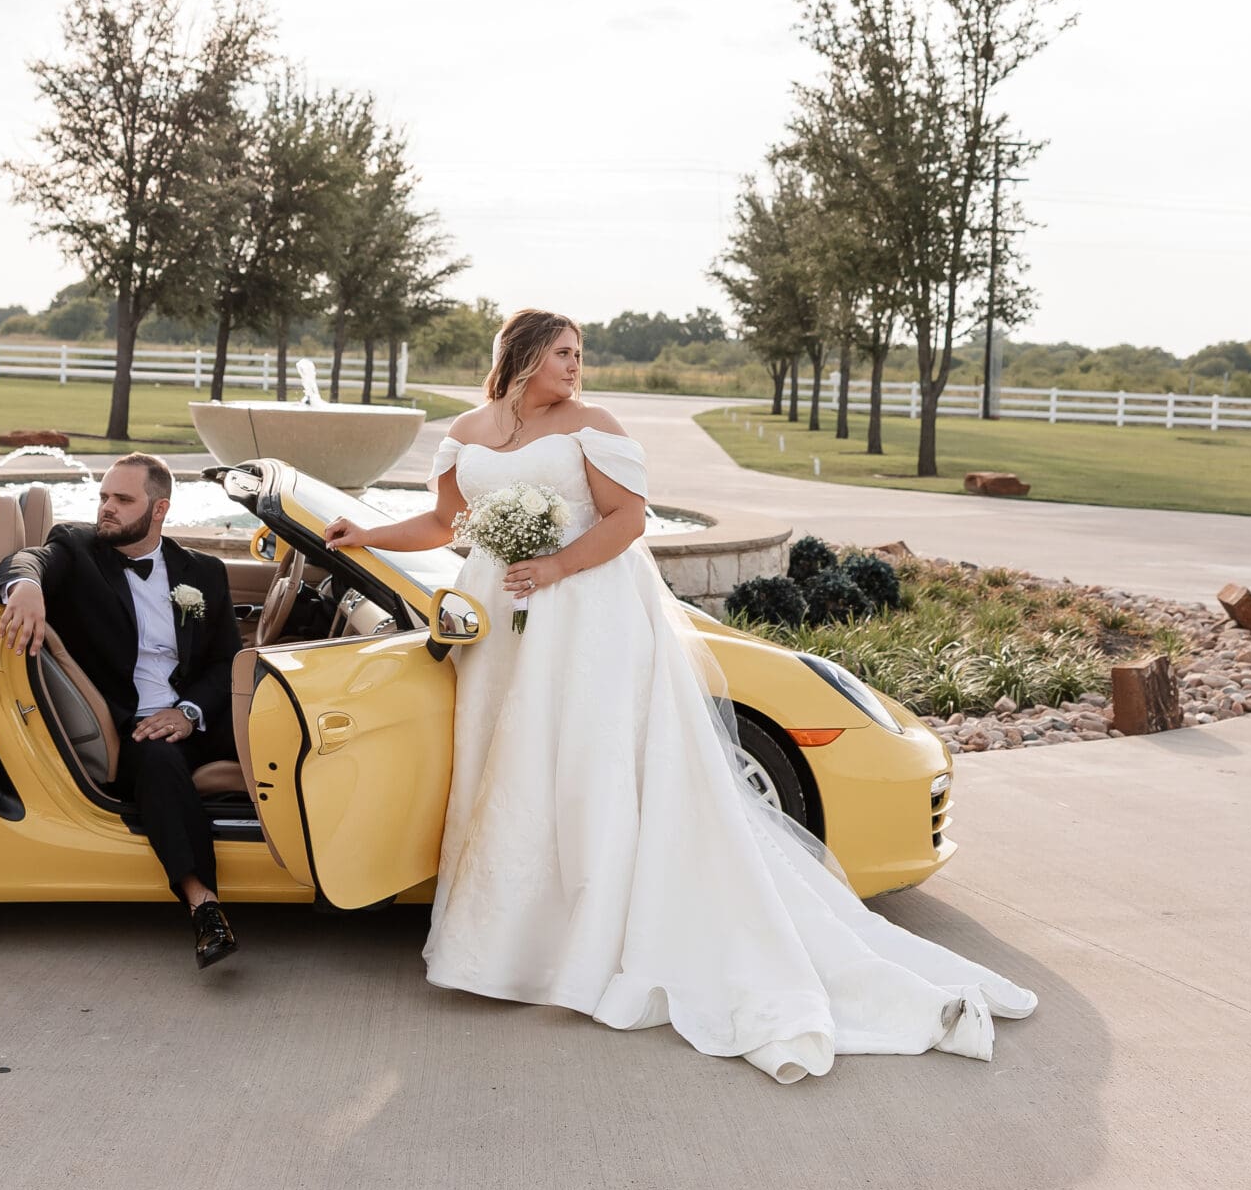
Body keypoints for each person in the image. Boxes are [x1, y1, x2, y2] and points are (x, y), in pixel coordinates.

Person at [323, 309, 1036, 1080]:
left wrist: (556, 568)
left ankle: (587, 939)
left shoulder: (591, 423)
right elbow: (439, 522)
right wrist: (363, 535)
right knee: (507, 768)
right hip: (495, 621)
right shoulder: (467, 428)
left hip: (583, 614)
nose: (575, 364)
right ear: (523, 355)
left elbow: (628, 519)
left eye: (578, 352)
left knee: (582, 766)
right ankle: (511, 936)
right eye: (563, 352)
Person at [0, 452, 243, 969]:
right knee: (156, 759)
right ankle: (204, 905)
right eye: (104, 496)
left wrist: (190, 712)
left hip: (196, 717)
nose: (106, 508)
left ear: (159, 510)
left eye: (122, 500)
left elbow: (225, 663)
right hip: (128, 725)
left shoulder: (205, 573)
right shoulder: (77, 548)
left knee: (291, 734)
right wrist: (27, 588)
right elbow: (27, 561)